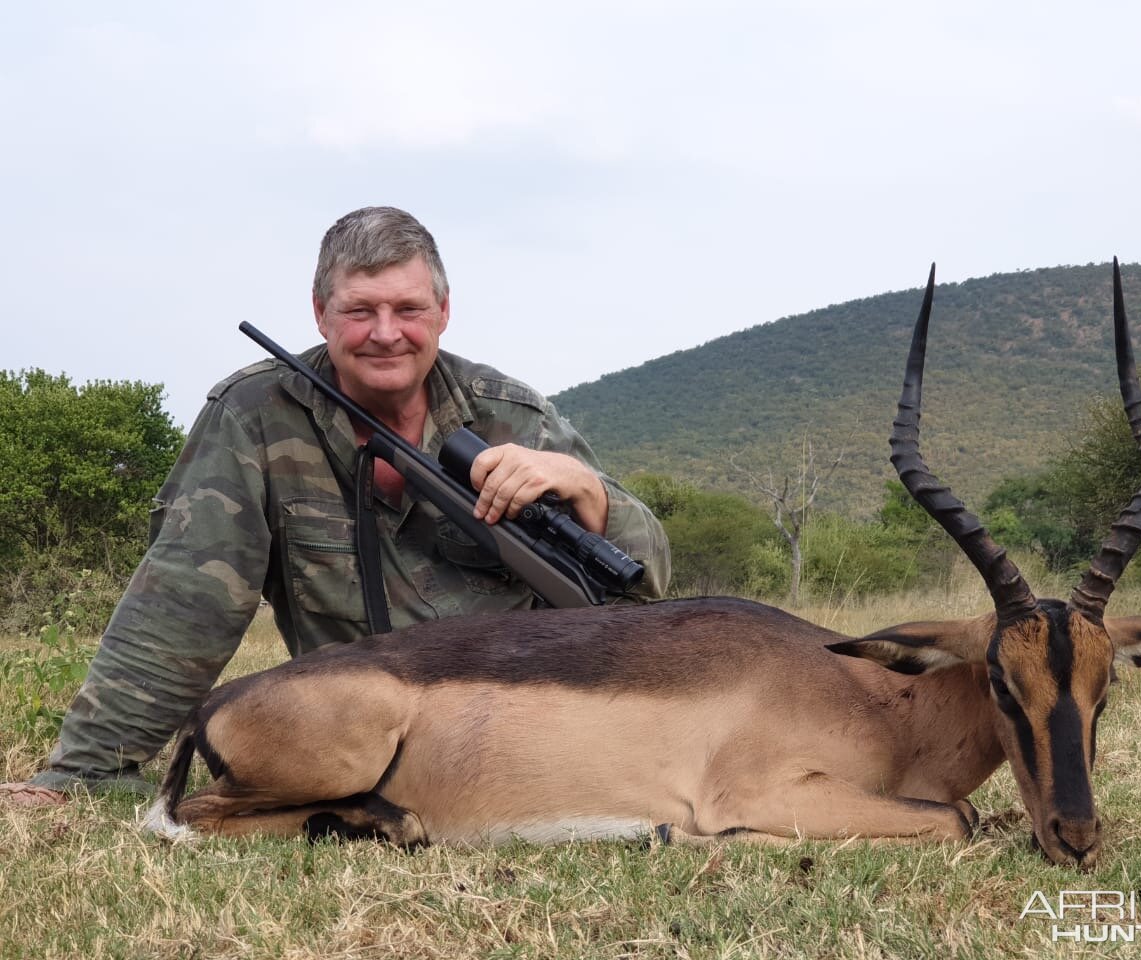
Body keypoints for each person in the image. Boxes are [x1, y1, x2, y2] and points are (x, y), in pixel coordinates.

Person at [0, 206, 671, 806]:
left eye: (408, 310)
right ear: (320, 313)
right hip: (352, 736)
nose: (386, 333)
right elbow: (182, 602)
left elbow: (647, 589)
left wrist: (586, 487)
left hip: (522, 734)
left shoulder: (514, 415)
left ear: (444, 313)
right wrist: (88, 772)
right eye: (360, 311)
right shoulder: (252, 415)